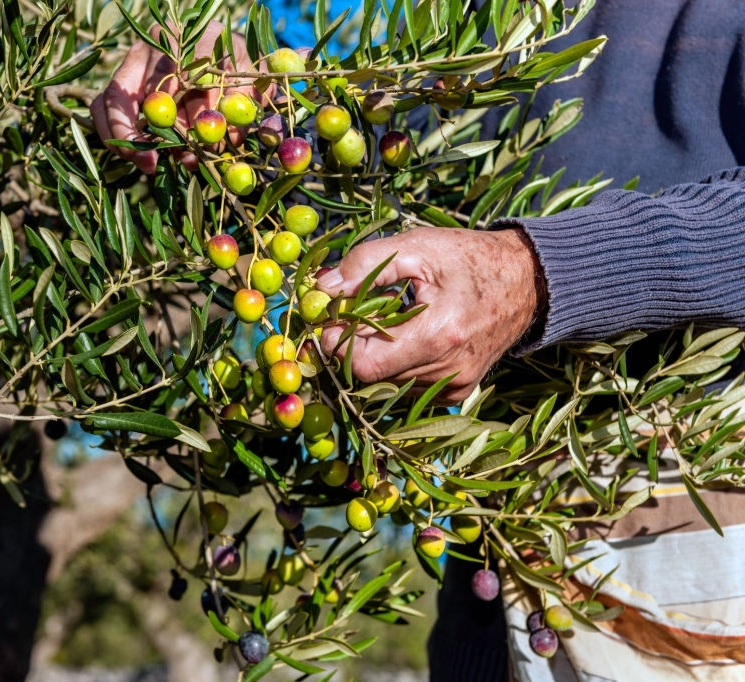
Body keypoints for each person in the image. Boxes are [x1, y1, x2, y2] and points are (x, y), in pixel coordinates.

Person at [91, 2, 745, 680]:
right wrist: (249, 113)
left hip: (698, 499)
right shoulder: (485, 22)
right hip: (496, 530)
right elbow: (396, 181)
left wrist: (531, 273)